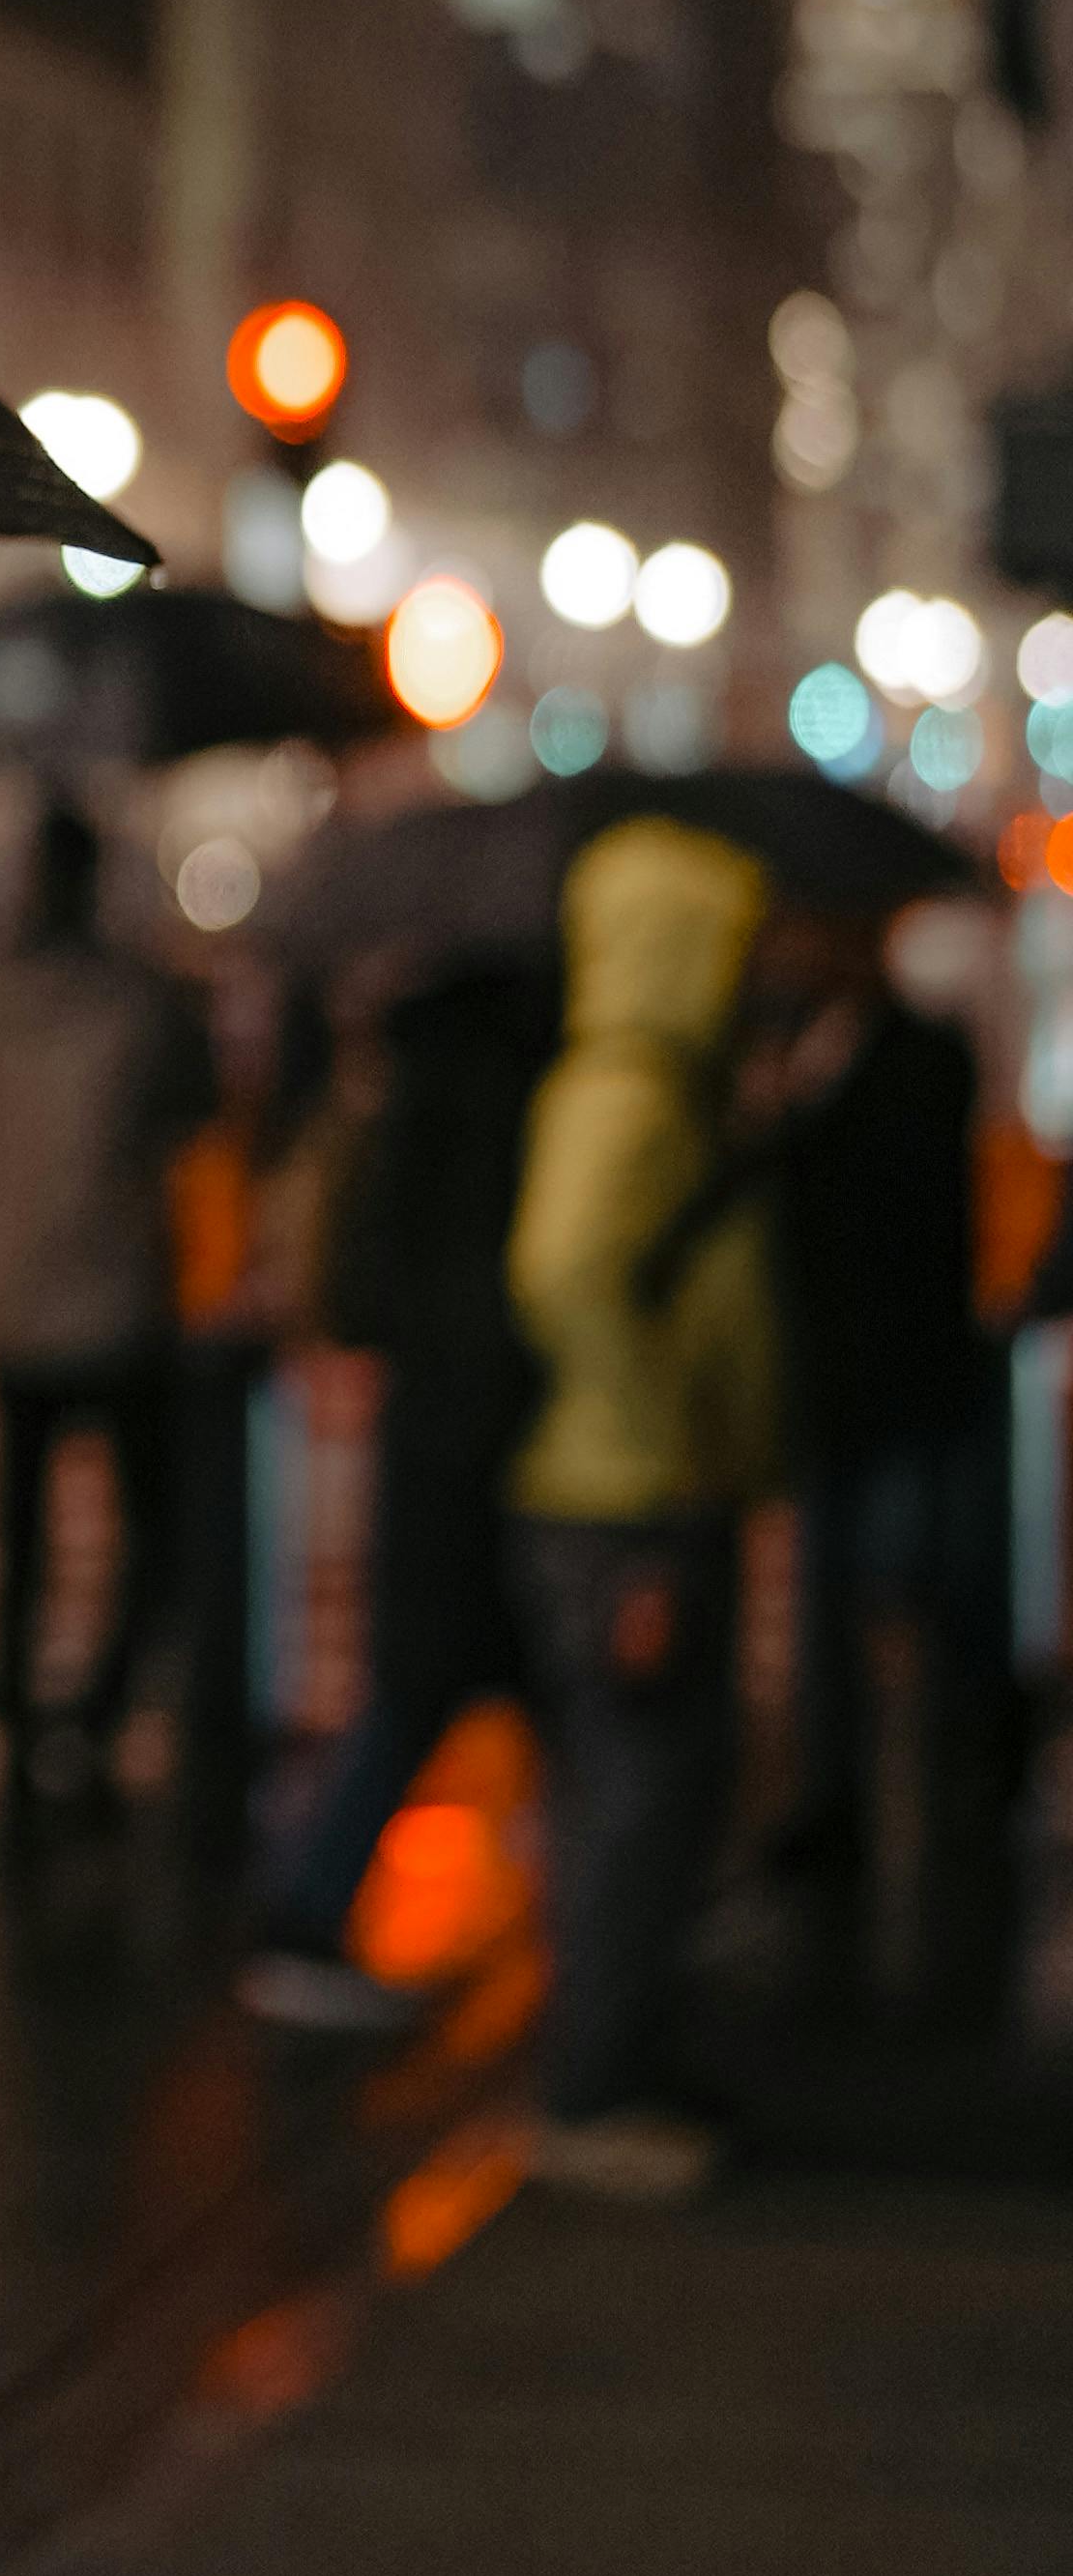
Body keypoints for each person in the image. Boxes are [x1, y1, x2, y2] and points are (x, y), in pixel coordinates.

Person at [501, 822, 792, 2196]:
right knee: (635, 1796)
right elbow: (565, 1268)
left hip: (649, 1491)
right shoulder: (628, 1092)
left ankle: (626, 2065)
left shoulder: (665, 1088)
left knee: (659, 1795)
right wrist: (658, 1437)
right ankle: (597, 2089)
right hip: (626, 1508)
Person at [238, 941, 557, 2026]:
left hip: (425, 1427)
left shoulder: (401, 1098)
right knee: (457, 1687)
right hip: (477, 1439)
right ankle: (308, 1910)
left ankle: (313, 1906)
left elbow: (366, 1280)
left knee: (439, 1688)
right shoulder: (496, 1101)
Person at [0, 797, 212, 1812]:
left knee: (21, 1536)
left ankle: (16, 1726)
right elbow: (196, 1107)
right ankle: (94, 1714)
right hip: (119, 1300)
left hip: (10, 1305)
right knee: (150, 1533)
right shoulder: (135, 999)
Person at [766, 928, 1009, 1922]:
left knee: (929, 1595)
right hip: (839, 1387)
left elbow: (895, 1211)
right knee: (834, 1613)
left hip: (904, 1377)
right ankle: (847, 1805)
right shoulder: (800, 1056)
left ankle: (961, 1793)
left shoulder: (918, 1057)